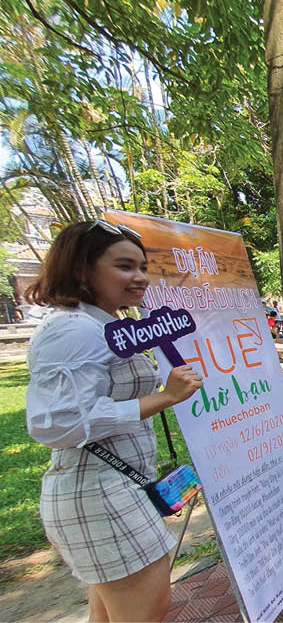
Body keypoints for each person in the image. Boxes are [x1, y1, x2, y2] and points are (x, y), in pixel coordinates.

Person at [24, 220, 203, 622]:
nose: (139, 277)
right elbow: (58, 424)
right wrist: (163, 398)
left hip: (119, 489)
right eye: (124, 266)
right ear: (82, 270)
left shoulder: (103, 324)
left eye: (142, 267)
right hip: (99, 492)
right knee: (146, 612)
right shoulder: (72, 329)